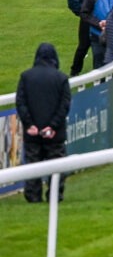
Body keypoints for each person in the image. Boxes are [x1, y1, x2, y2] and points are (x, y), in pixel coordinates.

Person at [14, 43, 69, 204]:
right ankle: (54, 196)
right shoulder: (61, 78)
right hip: (54, 133)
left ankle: (33, 196)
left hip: (32, 133)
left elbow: (21, 103)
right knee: (57, 166)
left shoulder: (26, 77)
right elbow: (64, 105)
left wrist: (30, 124)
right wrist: (52, 126)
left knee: (33, 166)